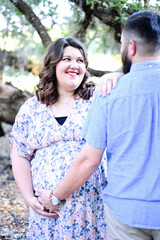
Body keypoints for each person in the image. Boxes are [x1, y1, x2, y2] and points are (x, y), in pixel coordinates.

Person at [37, 11, 160, 240]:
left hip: (126, 214)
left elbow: (89, 160)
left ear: (130, 47)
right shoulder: (108, 88)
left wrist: (54, 198)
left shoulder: (109, 94)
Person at [10, 37, 122, 239]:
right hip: (47, 212)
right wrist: (30, 198)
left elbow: (136, 80)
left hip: (91, 208)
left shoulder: (98, 99)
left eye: (80, 61)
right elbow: (19, 155)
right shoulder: (32, 108)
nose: (74, 65)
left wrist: (116, 74)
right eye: (67, 59)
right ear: (53, 64)